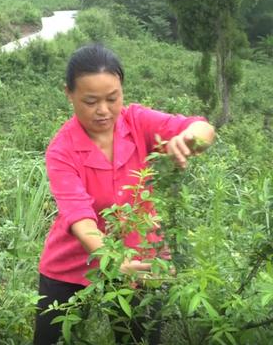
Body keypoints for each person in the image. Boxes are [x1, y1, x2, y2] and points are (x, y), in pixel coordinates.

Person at [33, 44, 215, 344]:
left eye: (112, 98)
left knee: (139, 339)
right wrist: (114, 261)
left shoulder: (137, 121)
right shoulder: (61, 150)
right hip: (73, 263)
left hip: (141, 258)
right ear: (68, 93)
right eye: (90, 101)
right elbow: (80, 218)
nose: (103, 110)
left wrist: (189, 139)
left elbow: (202, 128)